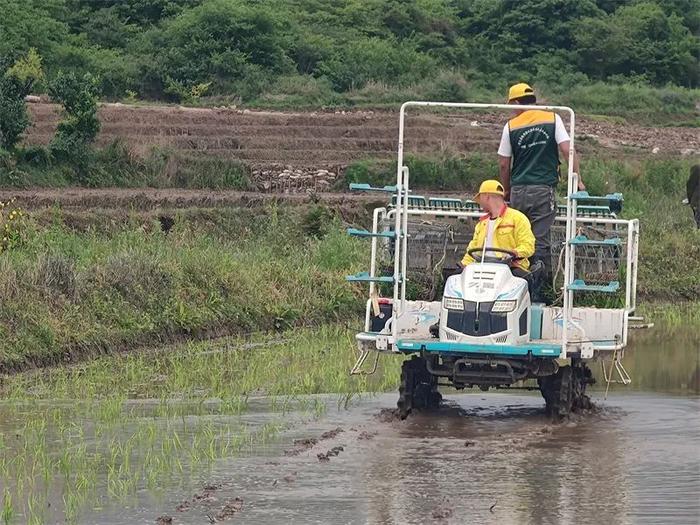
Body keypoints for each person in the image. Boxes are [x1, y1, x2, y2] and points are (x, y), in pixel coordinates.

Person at [497, 83, 584, 297]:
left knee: (519, 238)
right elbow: (567, 150)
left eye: (512, 105)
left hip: (518, 190)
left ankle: (517, 290)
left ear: (517, 103)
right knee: (540, 240)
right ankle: (541, 291)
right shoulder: (553, 119)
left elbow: (503, 164)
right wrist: (578, 180)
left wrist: (506, 191)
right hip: (543, 191)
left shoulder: (510, 126)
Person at [460, 180, 537, 283]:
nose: (480, 203)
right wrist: (463, 266)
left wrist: (515, 253)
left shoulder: (517, 218)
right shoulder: (482, 224)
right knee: (455, 278)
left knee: (522, 281)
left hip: (510, 268)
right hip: (481, 267)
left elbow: (529, 246)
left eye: (480, 198)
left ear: (486, 197)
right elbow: (472, 249)